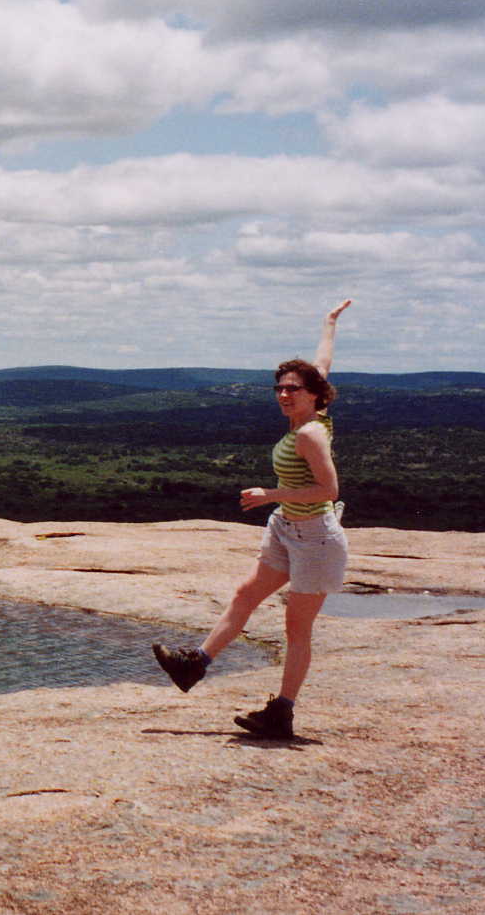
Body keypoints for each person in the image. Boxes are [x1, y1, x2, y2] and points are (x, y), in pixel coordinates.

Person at [152, 300, 354, 739]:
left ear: (315, 394)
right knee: (246, 594)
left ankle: (281, 713)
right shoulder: (311, 415)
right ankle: (194, 665)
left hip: (316, 538)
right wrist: (329, 323)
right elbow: (323, 363)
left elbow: (329, 490)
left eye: (293, 389)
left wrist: (271, 494)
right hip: (287, 528)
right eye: (279, 388)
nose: (284, 394)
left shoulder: (311, 433)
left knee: (296, 628)